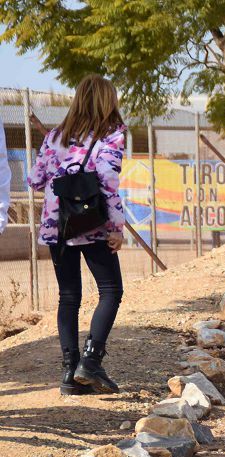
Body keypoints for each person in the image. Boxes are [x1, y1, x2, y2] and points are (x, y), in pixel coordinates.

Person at [27, 75, 126, 395]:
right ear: (107, 101)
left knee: (68, 297)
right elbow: (108, 183)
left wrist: (62, 166)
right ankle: (91, 362)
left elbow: (33, 180)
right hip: (92, 224)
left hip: (57, 225)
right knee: (111, 290)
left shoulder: (56, 135)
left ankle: (70, 374)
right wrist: (116, 228)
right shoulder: (112, 135)